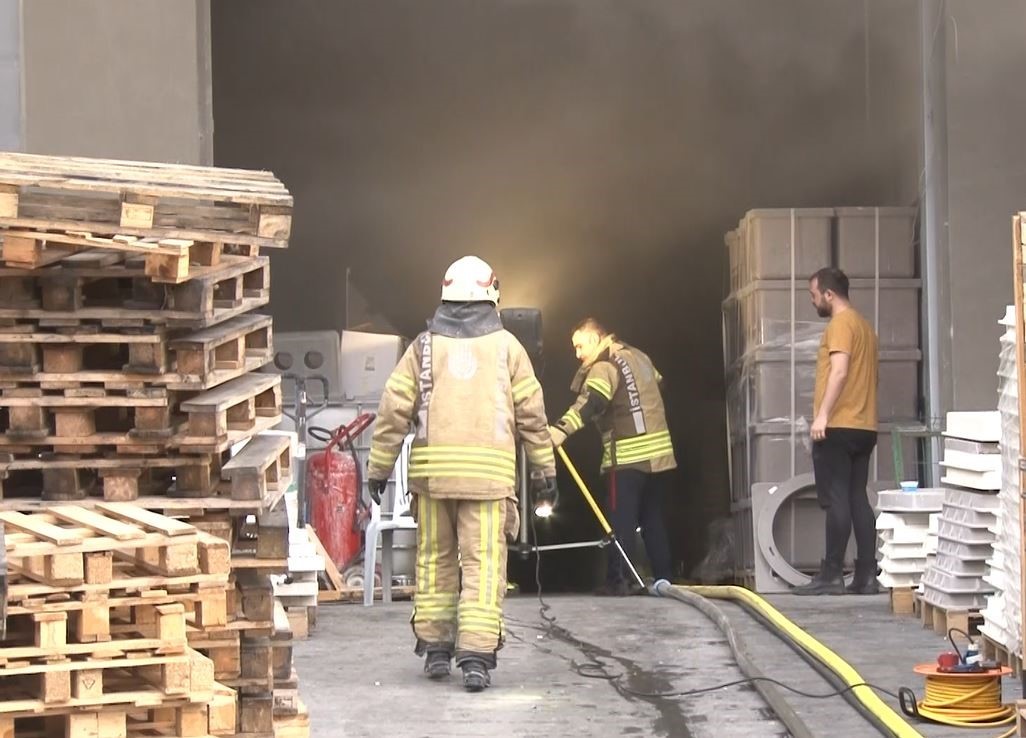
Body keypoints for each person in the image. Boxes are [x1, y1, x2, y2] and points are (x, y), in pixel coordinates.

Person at [367, 255, 558, 692]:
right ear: (493, 294)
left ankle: (435, 649)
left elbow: (393, 408)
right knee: (483, 566)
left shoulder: (424, 347)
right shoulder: (509, 348)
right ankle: (475, 657)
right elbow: (532, 414)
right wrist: (545, 470)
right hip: (488, 484)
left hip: (434, 482)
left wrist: (378, 469)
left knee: (433, 563)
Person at [549, 318, 675, 596]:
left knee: (621, 521)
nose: (578, 354)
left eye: (580, 345)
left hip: (627, 458)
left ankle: (620, 581)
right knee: (652, 518)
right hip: (661, 457)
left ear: (596, 339)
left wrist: (560, 431)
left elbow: (591, 403)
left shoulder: (603, 366)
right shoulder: (640, 357)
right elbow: (659, 385)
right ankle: (664, 580)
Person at [794, 267, 880, 596]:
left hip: (840, 424)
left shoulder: (841, 325)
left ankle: (831, 574)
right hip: (864, 425)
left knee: (837, 498)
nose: (813, 301)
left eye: (814, 295)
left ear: (829, 295)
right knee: (858, 496)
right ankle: (866, 575)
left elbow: (840, 372)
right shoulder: (865, 327)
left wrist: (823, 416)